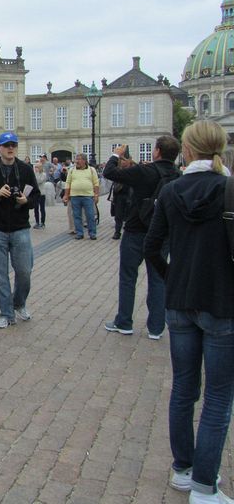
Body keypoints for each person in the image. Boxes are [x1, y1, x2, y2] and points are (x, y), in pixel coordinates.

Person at [143, 121, 234, 503]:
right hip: (221, 302)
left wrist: (172, 277)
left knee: (183, 388)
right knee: (216, 397)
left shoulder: (171, 189)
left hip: (179, 302)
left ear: (189, 150)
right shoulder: (229, 189)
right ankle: (203, 486)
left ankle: (183, 469)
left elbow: (152, 247)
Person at [102, 136, 180, 338]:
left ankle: (124, 322)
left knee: (128, 277)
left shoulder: (144, 171)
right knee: (158, 280)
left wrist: (116, 154)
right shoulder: (178, 175)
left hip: (136, 230)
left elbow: (109, 172)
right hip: (162, 234)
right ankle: (156, 327)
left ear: (157, 152)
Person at [0, 132, 40, 329]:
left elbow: (36, 196)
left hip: (20, 227)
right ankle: (6, 313)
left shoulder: (25, 169)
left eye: (13, 145)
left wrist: (25, 200)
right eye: (6, 145)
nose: (10, 148)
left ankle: (18, 303)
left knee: (24, 271)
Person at [62, 153, 100, 240]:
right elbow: (68, 183)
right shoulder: (72, 170)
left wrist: (96, 195)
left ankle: (92, 233)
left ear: (84, 161)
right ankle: (79, 233)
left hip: (88, 196)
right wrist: (66, 195)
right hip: (75, 196)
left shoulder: (91, 170)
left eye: (79, 159)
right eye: (76, 159)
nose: (77, 161)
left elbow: (96, 183)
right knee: (76, 216)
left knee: (90, 215)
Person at [33, 161, 47, 229]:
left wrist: (37, 173)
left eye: (37, 167)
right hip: (35, 193)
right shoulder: (34, 174)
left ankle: (43, 222)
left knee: (42, 209)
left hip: (42, 193)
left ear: (40, 168)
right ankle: (37, 222)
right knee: (36, 208)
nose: (35, 168)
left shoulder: (44, 174)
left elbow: (39, 181)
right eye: (35, 167)